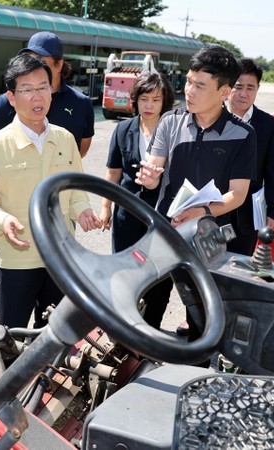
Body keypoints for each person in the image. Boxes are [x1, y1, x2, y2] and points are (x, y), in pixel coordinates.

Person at [0, 53, 102, 329]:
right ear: (11, 97)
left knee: (55, 332)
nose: (37, 96)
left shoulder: (65, 139)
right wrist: (2, 220)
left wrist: (83, 210)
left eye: (43, 87)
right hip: (18, 257)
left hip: (60, 255)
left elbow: (75, 187)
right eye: (27, 89)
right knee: (13, 334)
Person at [136, 45, 257, 343]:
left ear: (224, 91)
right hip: (164, 232)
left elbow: (238, 194)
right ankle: (138, 359)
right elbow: (153, 171)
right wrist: (149, 179)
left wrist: (201, 213)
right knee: (148, 307)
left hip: (207, 237)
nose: (189, 91)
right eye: (189, 81)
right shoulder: (170, 122)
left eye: (200, 85)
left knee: (201, 316)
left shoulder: (243, 134)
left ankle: (196, 366)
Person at [99, 72, 176, 329]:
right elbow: (113, 172)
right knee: (124, 272)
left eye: (156, 99)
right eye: (144, 99)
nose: (149, 105)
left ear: (165, 101)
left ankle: (151, 329)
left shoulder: (174, 130)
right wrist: (105, 206)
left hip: (163, 216)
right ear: (135, 100)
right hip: (127, 213)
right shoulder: (123, 129)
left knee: (160, 276)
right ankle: (124, 327)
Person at [0, 31, 95, 157]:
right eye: (30, 59)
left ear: (59, 65)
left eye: (41, 61)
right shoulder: (8, 100)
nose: (35, 66)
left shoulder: (81, 103)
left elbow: (81, 150)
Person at [226, 58, 274, 255]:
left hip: (246, 217)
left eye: (250, 88)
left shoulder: (268, 125)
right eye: (238, 86)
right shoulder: (212, 117)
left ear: (257, 89)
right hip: (210, 213)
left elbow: (273, 170)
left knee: (237, 267)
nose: (243, 93)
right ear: (227, 87)